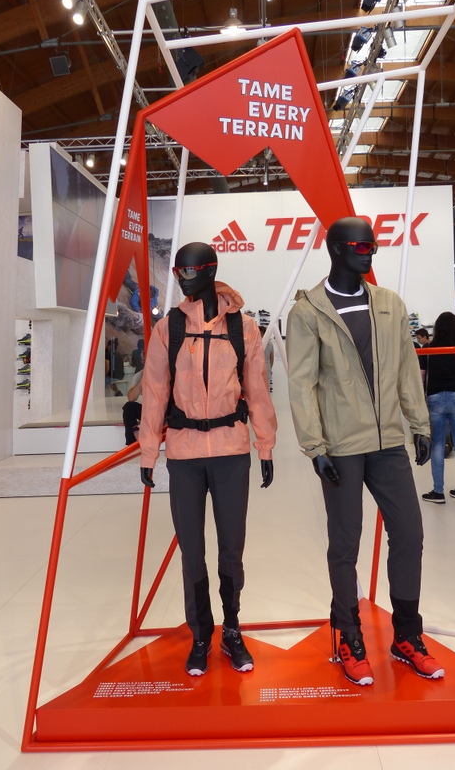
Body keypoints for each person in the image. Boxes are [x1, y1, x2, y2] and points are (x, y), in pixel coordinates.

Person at [287, 216, 443, 687]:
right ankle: (348, 635)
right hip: (341, 446)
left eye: (372, 246)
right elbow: (301, 383)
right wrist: (315, 446)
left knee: (409, 534)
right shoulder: (308, 312)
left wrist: (419, 424)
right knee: (345, 542)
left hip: (388, 442)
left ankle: (407, 635)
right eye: (359, 246)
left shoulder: (390, 305)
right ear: (335, 249)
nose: (368, 253)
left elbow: (406, 369)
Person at [138, 242, 277, 677]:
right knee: (192, 552)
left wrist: (265, 444)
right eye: (177, 270)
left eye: (189, 270)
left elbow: (257, 390)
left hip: (231, 453)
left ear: (210, 271)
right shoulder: (169, 328)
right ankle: (201, 635)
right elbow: (154, 392)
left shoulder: (243, 328)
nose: (181, 277)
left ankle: (232, 630)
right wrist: (148, 450)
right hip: (184, 455)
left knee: (231, 549)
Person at [421, 312, 455, 504]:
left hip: (435, 397)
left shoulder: (428, 348)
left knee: (437, 443)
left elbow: (421, 376)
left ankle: (438, 491)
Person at [122, 360, 143, 445]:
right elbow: (131, 398)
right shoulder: (139, 375)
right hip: (148, 410)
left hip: (164, 410)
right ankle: (132, 441)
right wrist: (143, 380)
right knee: (129, 406)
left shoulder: (166, 372)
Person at [259, 325, 274, 392]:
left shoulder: (256, 344)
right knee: (267, 389)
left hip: (258, 368)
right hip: (267, 367)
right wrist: (270, 368)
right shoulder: (270, 344)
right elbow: (272, 358)